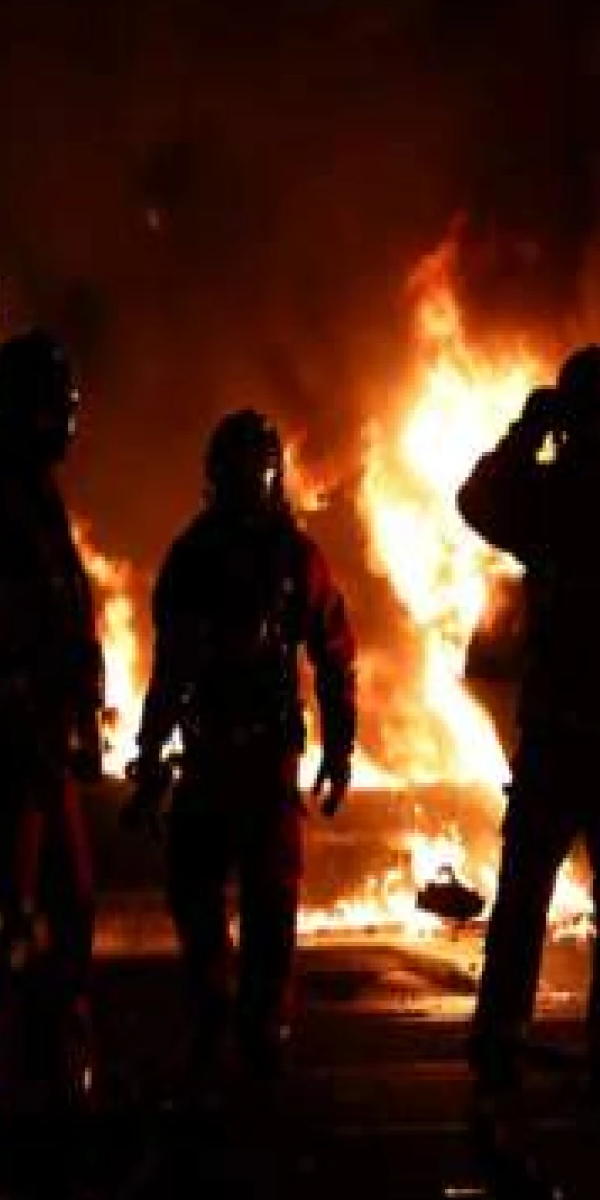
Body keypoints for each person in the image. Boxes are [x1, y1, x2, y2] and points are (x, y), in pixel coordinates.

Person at [458, 345, 600, 1112]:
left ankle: (531, 1040)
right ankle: (585, 1045)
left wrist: (530, 436)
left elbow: (483, 500)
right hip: (589, 737)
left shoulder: (569, 501)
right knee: (583, 902)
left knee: (566, 899)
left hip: (590, 736)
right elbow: (478, 502)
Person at [124, 409, 357, 1080]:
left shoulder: (293, 557)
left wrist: (340, 748)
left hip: (264, 758)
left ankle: (259, 1025)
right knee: (195, 891)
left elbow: (334, 654)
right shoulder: (194, 557)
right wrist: (150, 755)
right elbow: (171, 668)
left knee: (271, 902)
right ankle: (215, 1003)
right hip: (210, 755)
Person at [0, 330, 105, 1191]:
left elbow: (61, 621)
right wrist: (7, 699)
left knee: (69, 911)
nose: (67, 420)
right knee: (3, 927)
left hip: (42, 753)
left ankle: (55, 1087)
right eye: (54, 403)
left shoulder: (36, 497)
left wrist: (79, 708)